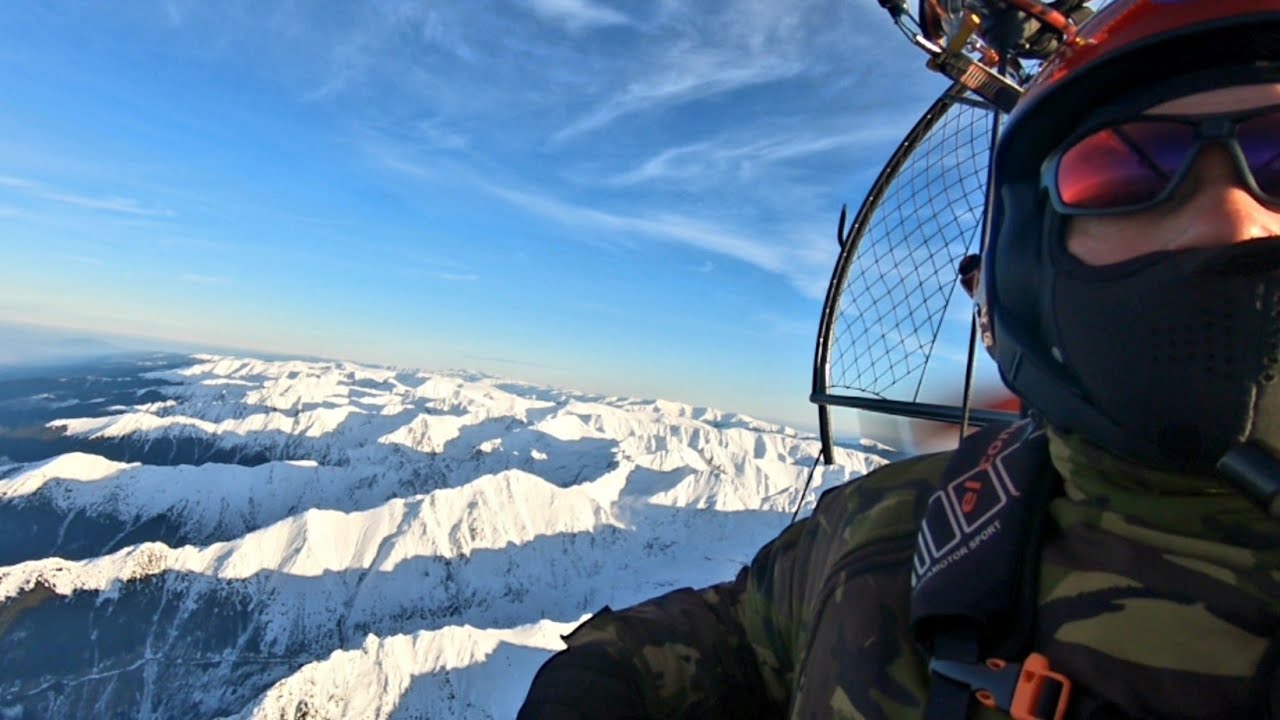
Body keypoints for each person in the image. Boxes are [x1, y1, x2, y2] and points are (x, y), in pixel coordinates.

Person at [518, 2, 1280, 717]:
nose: (1230, 220)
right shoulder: (893, 526)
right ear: (1028, 264)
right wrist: (603, 675)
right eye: (1125, 172)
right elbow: (744, 634)